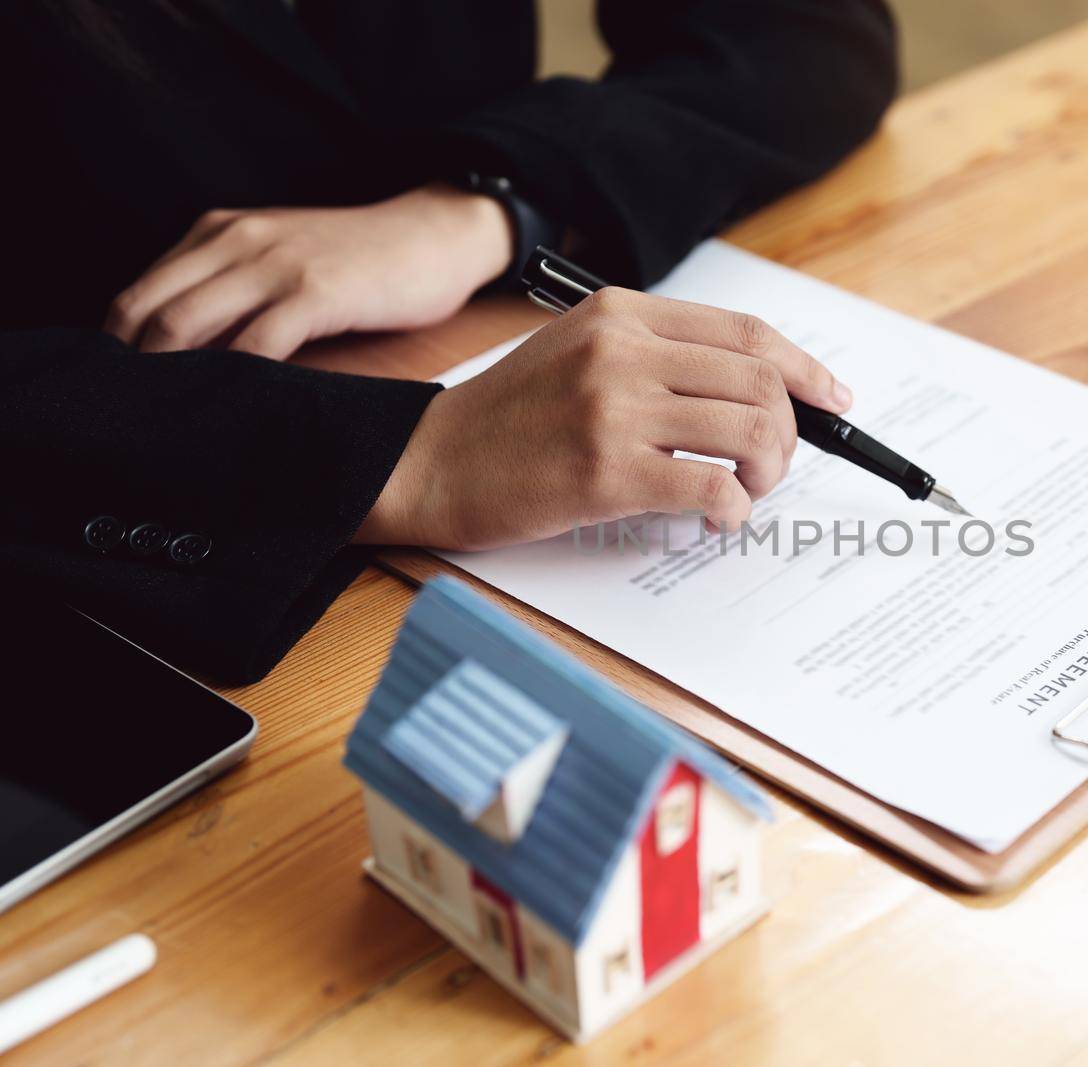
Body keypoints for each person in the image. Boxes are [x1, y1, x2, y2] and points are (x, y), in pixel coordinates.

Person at [1, 1, 896, 683]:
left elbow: (811, 32)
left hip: (460, 316)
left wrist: (486, 206)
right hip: (112, 584)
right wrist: (407, 457)